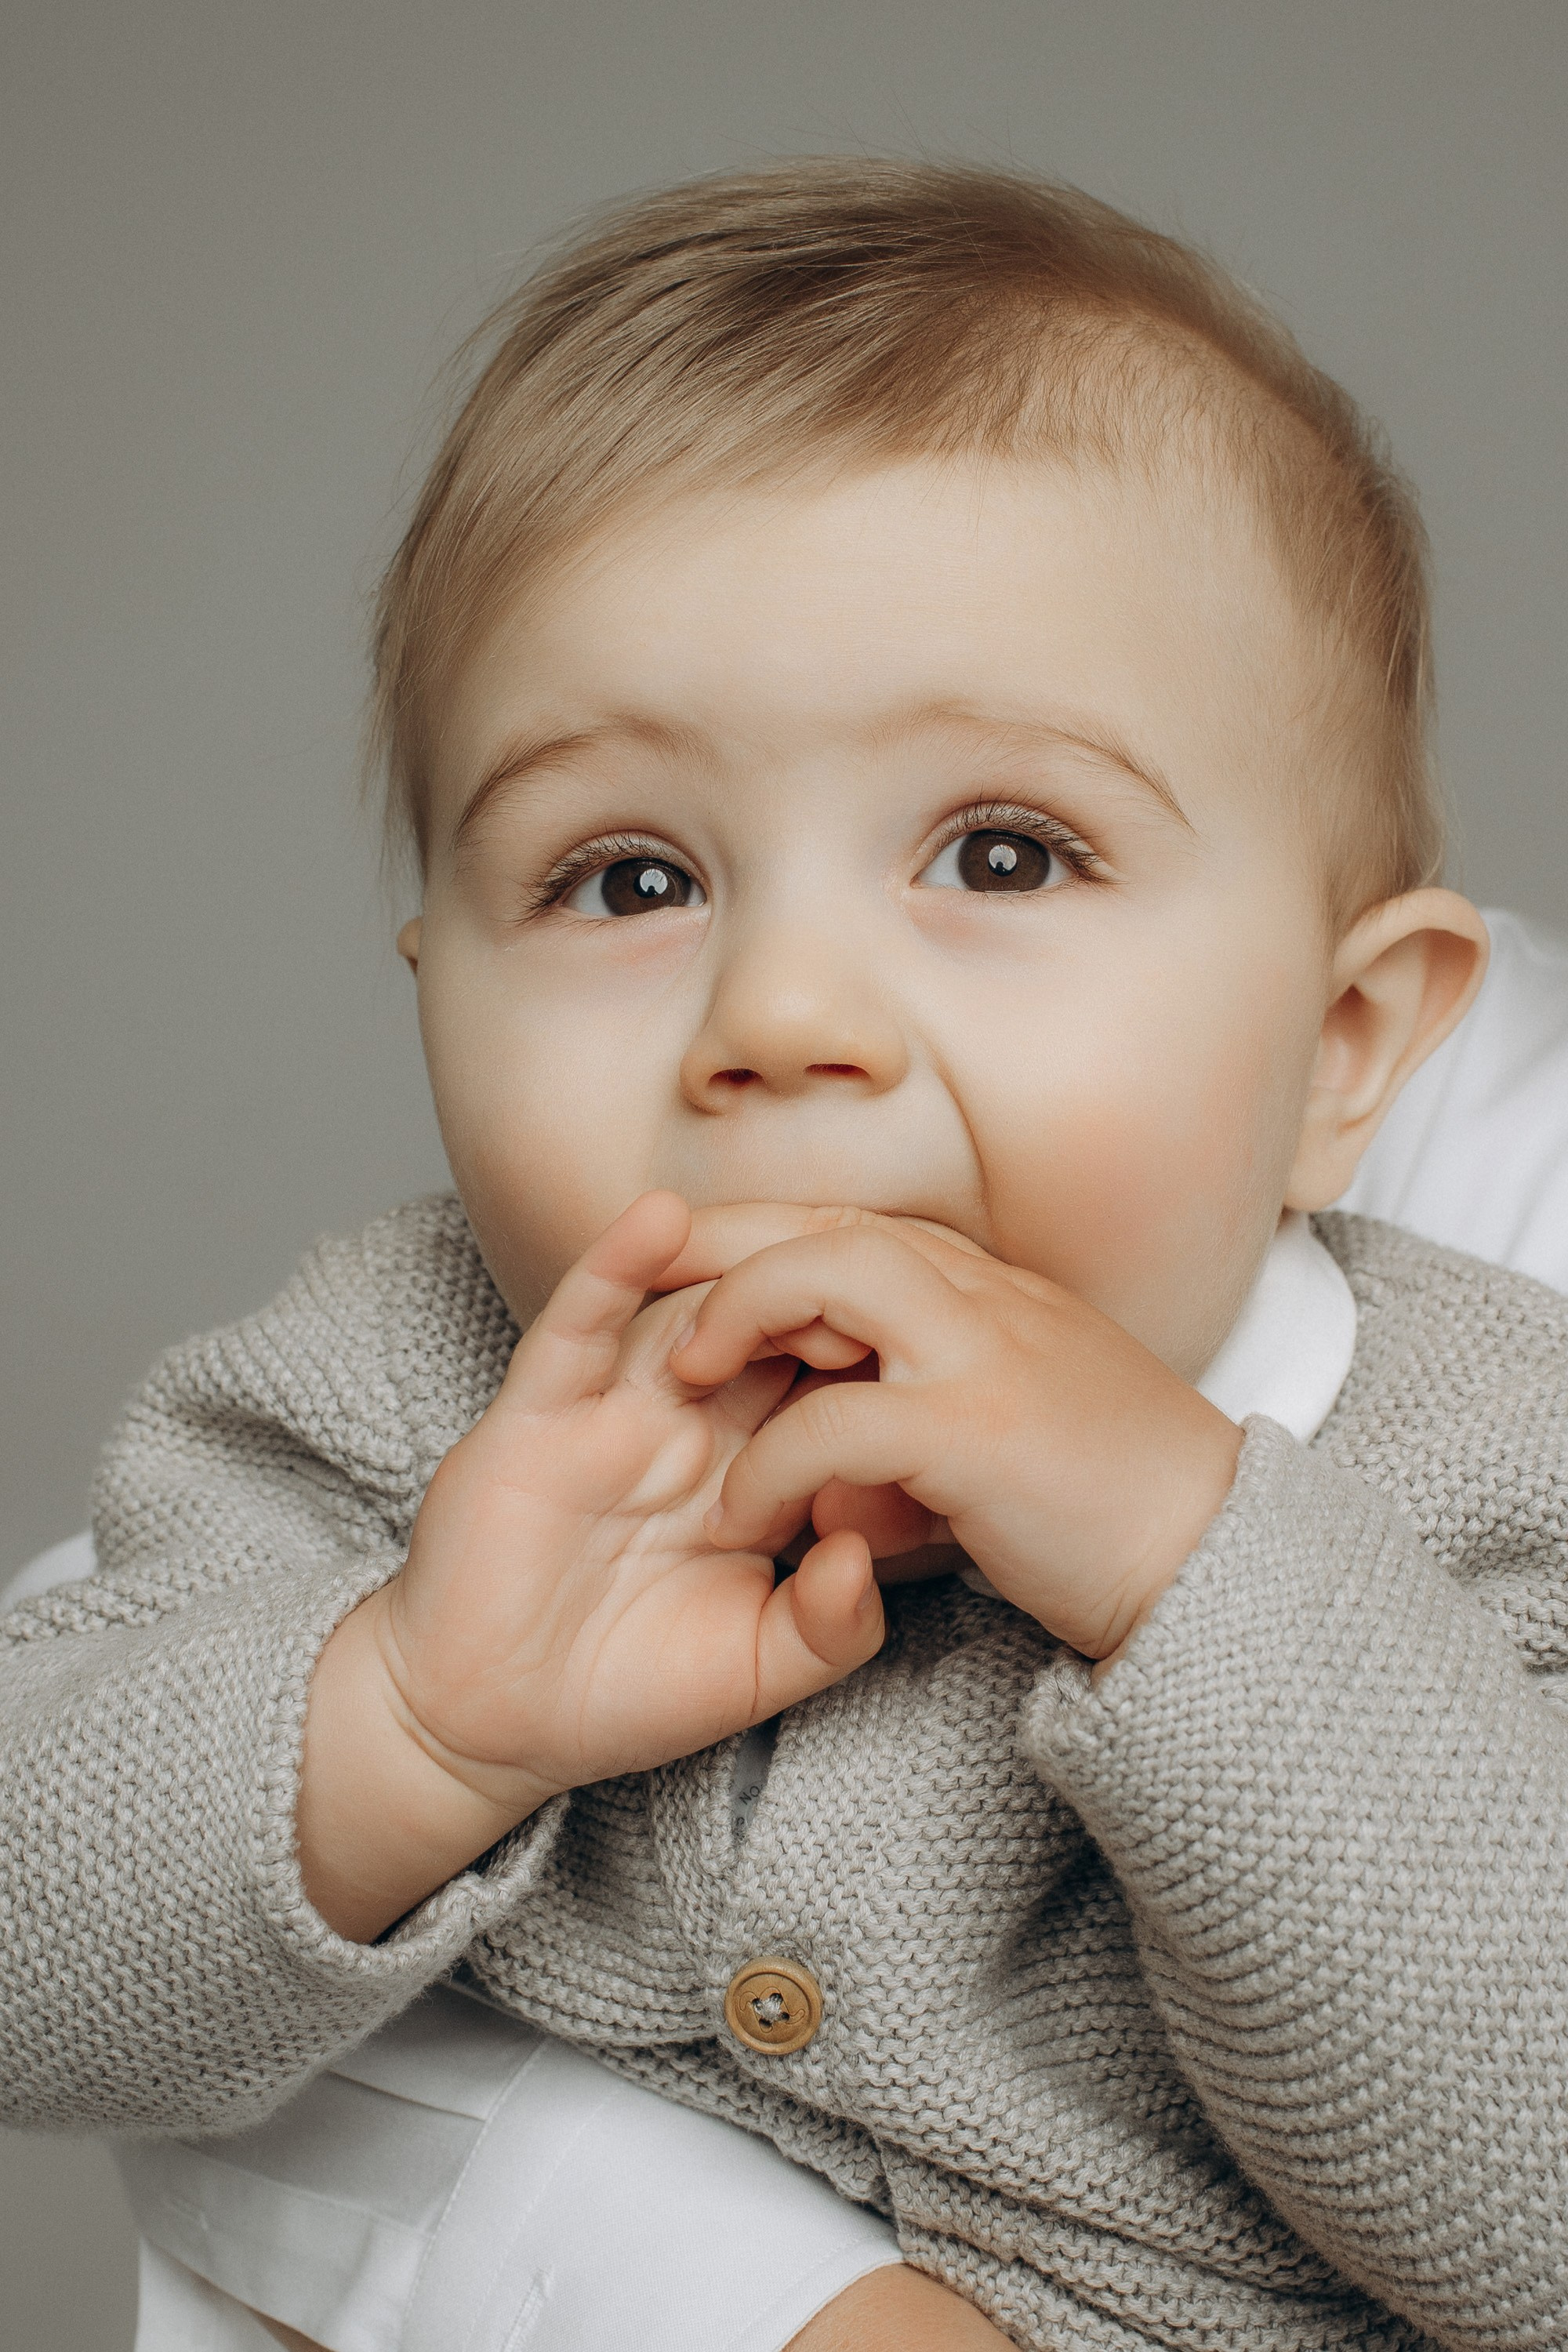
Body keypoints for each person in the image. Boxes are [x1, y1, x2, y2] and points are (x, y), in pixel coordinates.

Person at [5, 161, 1566, 2351]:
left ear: (1340, 1052)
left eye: (1002, 851)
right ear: (432, 982)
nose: (779, 1019)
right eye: (627, 880)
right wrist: (406, 1719)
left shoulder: (1497, 1465)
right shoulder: (395, 1392)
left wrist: (1187, 1567)